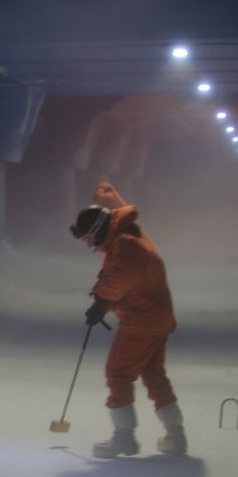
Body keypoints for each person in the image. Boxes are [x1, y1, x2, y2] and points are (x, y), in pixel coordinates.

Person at [69, 191, 187, 458]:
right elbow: (125, 282)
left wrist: (100, 303)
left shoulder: (125, 244)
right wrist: (103, 303)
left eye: (89, 240)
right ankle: (176, 435)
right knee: (154, 374)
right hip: (156, 317)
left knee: (118, 373)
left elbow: (121, 280)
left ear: (99, 230)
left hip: (142, 321)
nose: (90, 246)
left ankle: (124, 438)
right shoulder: (127, 236)